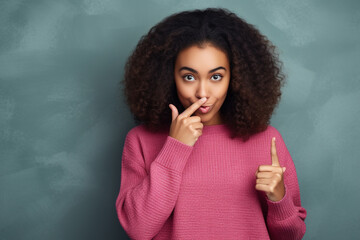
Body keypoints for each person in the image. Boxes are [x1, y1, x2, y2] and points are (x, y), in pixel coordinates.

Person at [115, 8, 307, 240]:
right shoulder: (141, 140)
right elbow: (138, 229)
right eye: (189, 77)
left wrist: (279, 200)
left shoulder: (267, 140)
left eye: (216, 77)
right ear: (168, 77)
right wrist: (175, 148)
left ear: (234, 78)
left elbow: (292, 236)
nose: (202, 93)